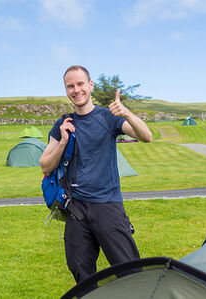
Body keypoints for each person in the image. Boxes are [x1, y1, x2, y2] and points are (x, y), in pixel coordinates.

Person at [39, 65, 152, 284]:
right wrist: (62, 140)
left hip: (107, 205)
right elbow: (45, 166)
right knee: (80, 271)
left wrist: (126, 112)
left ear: (90, 85)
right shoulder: (63, 123)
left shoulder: (108, 117)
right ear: (66, 90)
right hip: (75, 208)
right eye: (70, 86)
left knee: (129, 270)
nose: (76, 90)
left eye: (80, 84)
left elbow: (146, 136)